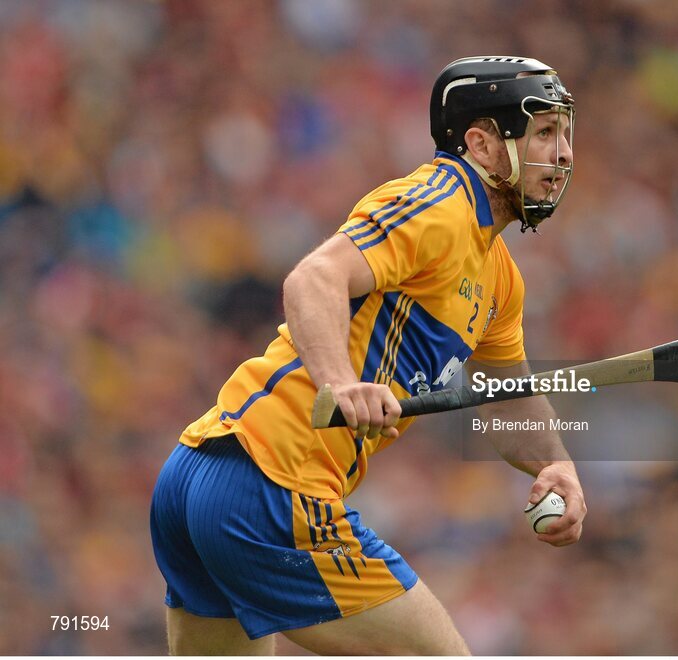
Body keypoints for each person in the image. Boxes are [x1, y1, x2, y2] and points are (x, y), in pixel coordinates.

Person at [150, 55, 586, 655]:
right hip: (273, 478)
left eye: (564, 133)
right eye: (542, 132)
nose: (563, 152)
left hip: (204, 472)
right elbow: (314, 279)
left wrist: (553, 465)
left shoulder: (499, 279)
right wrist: (341, 383)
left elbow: (505, 396)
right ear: (482, 144)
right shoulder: (441, 201)